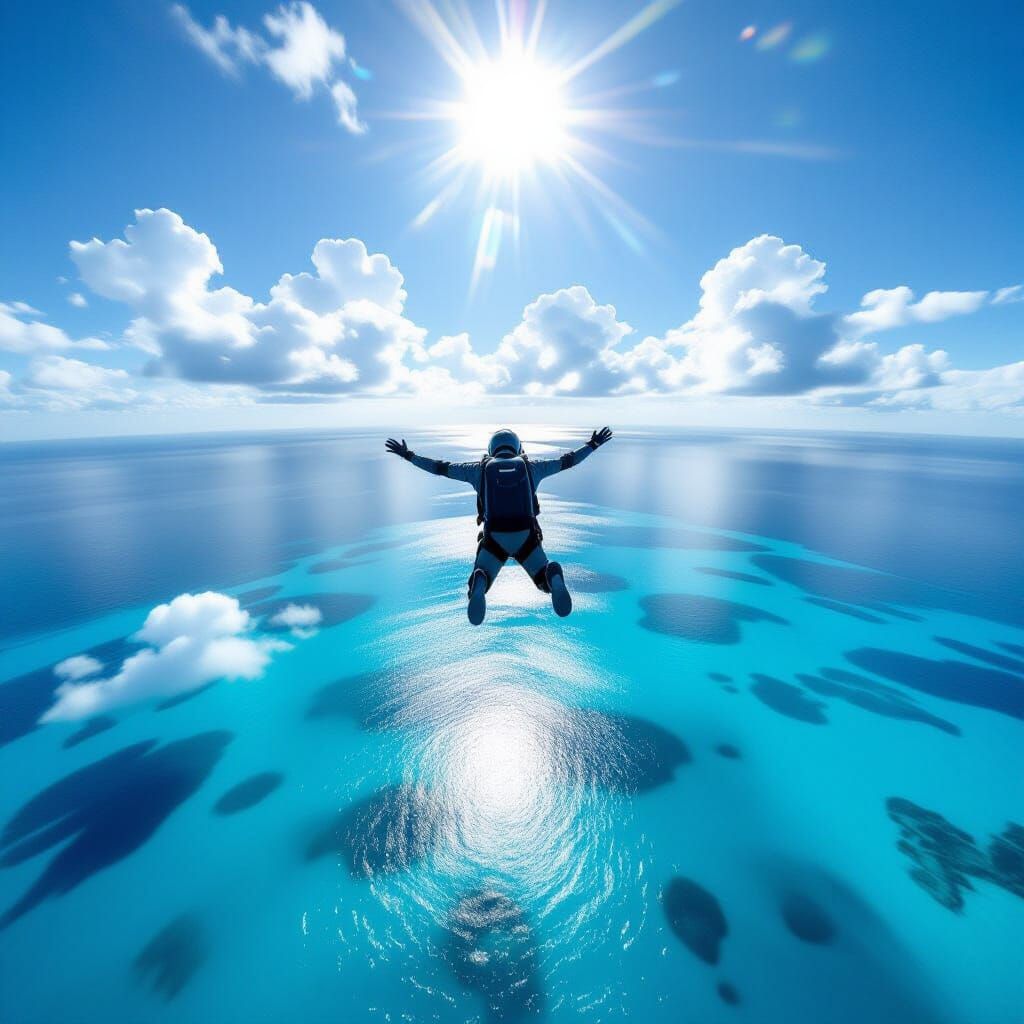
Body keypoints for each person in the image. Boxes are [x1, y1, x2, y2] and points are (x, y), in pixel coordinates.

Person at [385, 427, 614, 624]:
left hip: (494, 537)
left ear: (491, 448)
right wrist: (593, 444)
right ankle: (552, 576)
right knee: (543, 581)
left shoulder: (478, 469)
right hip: (527, 536)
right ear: (517, 447)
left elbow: (440, 468)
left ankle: (481, 582)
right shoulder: (532, 467)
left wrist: (408, 455)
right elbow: (568, 461)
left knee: (480, 578)